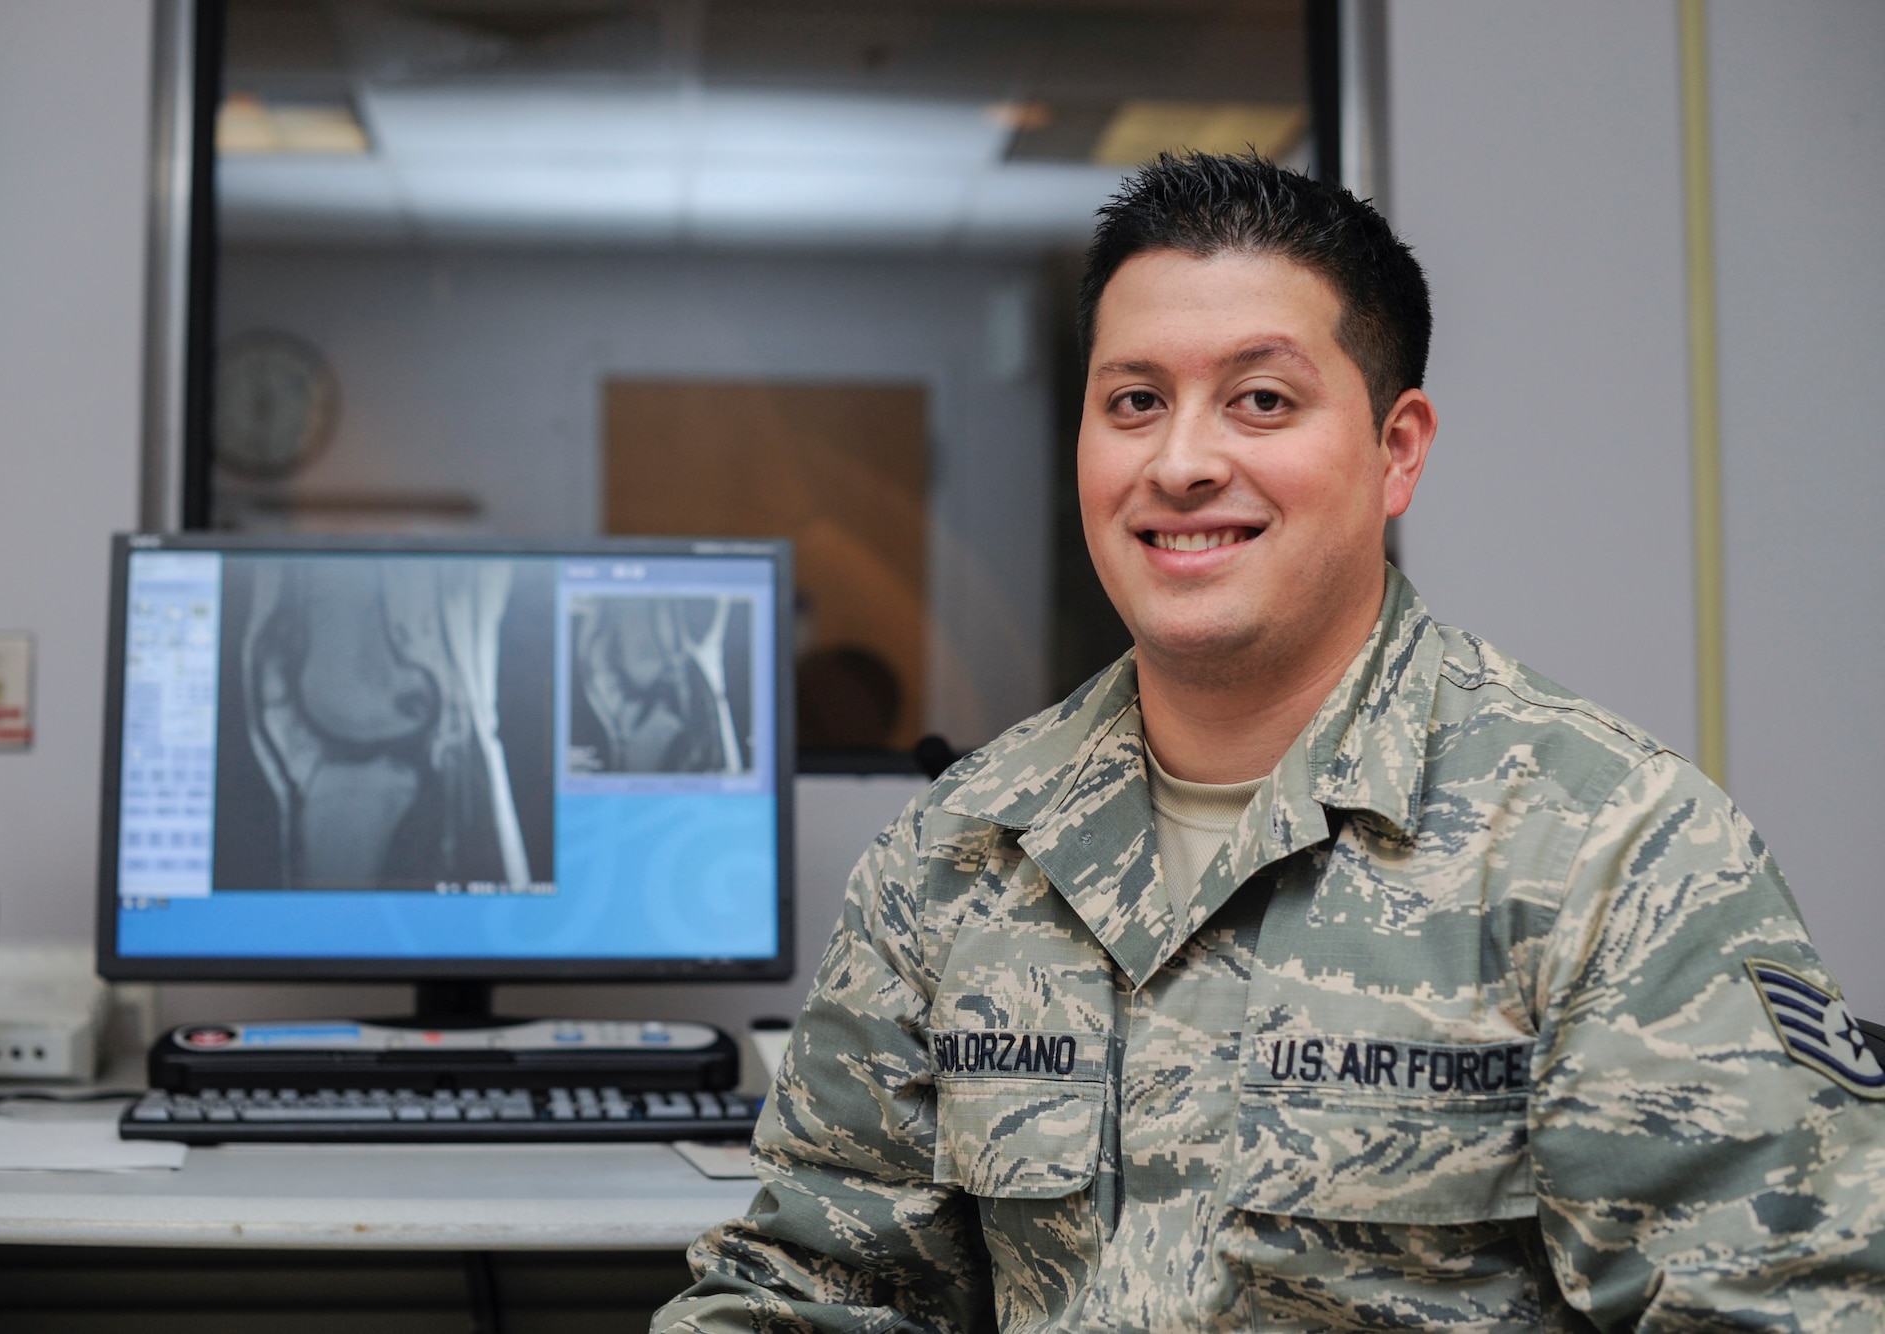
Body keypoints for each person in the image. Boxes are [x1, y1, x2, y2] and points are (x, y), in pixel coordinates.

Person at [651, 153, 1885, 1332]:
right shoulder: (958, 852)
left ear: (1395, 450)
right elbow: (816, 1284)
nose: (1181, 462)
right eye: (1133, 401)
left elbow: (1771, 1304)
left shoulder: (1608, 848)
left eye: (1260, 399)